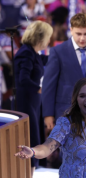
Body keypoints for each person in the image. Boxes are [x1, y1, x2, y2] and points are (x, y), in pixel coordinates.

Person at [14, 20, 53, 176]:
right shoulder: (26, 52)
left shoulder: (34, 53)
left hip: (34, 103)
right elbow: (23, 79)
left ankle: (31, 173)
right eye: (48, 37)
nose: (49, 41)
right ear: (41, 38)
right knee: (31, 138)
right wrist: (40, 89)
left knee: (35, 137)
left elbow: (48, 60)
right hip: (26, 103)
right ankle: (28, 174)